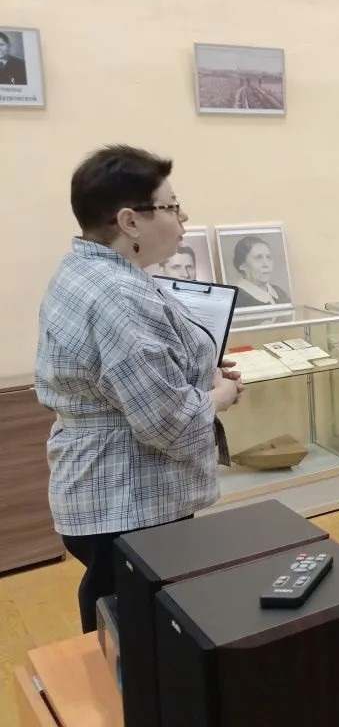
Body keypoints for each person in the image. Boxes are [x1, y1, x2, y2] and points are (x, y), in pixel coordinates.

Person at [35, 145, 244, 632]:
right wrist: (218, 396)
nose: (183, 217)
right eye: (172, 206)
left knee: (124, 621)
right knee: (136, 636)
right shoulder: (119, 295)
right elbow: (167, 424)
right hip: (127, 498)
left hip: (103, 489)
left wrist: (196, 370)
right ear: (130, 221)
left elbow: (125, 371)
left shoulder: (88, 270)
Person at [232, 236, 290, 308]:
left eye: (268, 257)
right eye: (258, 258)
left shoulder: (279, 292)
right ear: (242, 265)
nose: (266, 264)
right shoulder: (235, 299)